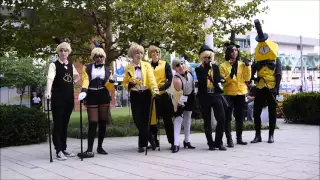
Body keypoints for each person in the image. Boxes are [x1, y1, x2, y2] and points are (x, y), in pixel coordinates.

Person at [77, 47, 116, 158]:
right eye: (97, 56)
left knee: (103, 122)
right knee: (93, 122)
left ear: (104, 57)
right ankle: (89, 149)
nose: (99, 58)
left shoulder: (108, 69)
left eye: (101, 56)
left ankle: (100, 147)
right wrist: (84, 91)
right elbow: (85, 80)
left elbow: (108, 87)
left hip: (103, 95)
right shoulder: (87, 68)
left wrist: (112, 82)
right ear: (93, 58)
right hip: (92, 95)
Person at [45, 41, 80, 161]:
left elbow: (77, 76)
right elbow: (50, 79)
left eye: (66, 50)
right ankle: (58, 150)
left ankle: (64, 148)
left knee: (65, 124)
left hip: (69, 98)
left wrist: (73, 82)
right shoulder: (53, 65)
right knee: (58, 123)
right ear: (58, 52)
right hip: (58, 98)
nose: (63, 52)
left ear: (68, 52)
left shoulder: (71, 65)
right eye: (61, 50)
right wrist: (48, 91)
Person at [122, 43, 160, 153]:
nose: (139, 55)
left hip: (146, 93)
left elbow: (152, 79)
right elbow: (124, 83)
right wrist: (129, 85)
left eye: (141, 53)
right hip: (135, 95)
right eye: (137, 53)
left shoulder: (147, 65)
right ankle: (150, 138)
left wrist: (155, 91)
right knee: (137, 119)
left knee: (144, 120)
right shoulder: (128, 68)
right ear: (132, 54)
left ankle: (141, 144)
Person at [251, 19, 282, 144]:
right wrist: (255, 78)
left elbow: (279, 74)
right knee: (256, 112)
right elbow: (250, 75)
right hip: (260, 88)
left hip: (272, 88)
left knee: (271, 113)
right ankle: (257, 135)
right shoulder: (257, 60)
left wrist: (277, 89)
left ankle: (271, 135)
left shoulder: (276, 60)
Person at [219, 31, 251, 147]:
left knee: (240, 116)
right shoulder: (223, 66)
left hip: (241, 92)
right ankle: (229, 139)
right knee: (228, 117)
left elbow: (247, 78)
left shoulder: (242, 64)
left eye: (236, 50)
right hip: (229, 93)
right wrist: (231, 74)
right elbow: (224, 81)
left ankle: (239, 138)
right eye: (232, 50)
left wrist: (248, 67)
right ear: (228, 52)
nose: (235, 52)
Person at [195, 44, 227, 151]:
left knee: (221, 118)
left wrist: (221, 80)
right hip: (205, 96)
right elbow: (202, 80)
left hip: (215, 94)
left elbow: (217, 78)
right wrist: (206, 69)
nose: (207, 59)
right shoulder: (199, 69)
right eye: (205, 57)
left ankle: (219, 142)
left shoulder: (215, 67)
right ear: (201, 58)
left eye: (209, 57)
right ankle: (210, 143)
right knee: (207, 120)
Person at [148, 44, 174, 150]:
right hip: (152, 96)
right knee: (152, 120)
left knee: (167, 120)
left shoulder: (165, 64)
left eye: (157, 52)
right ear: (150, 54)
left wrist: (162, 88)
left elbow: (170, 79)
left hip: (163, 94)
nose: (155, 54)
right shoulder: (147, 66)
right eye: (153, 52)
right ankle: (154, 142)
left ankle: (172, 142)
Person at [170, 58, 196, 153]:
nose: (181, 66)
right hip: (179, 98)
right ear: (175, 68)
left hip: (189, 97)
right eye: (178, 65)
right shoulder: (176, 79)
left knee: (188, 118)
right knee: (178, 119)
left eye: (182, 64)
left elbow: (192, 87)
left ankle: (187, 141)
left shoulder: (190, 73)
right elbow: (178, 94)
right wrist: (180, 105)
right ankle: (176, 144)